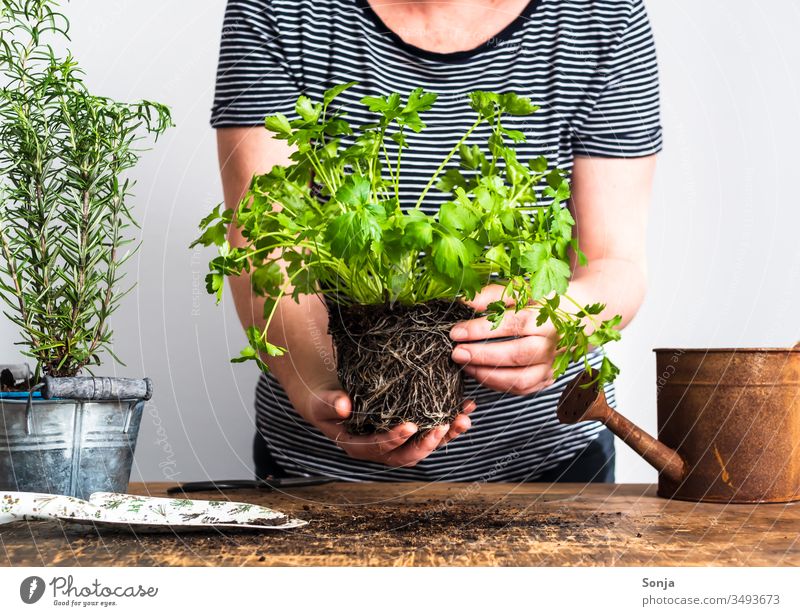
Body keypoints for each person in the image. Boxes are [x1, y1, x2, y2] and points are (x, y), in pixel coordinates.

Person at [211, 0, 660, 482]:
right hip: (320, 470)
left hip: (548, 464)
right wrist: (316, 379)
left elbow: (614, 261)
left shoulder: (600, 14)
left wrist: (561, 324)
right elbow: (265, 237)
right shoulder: (279, 10)